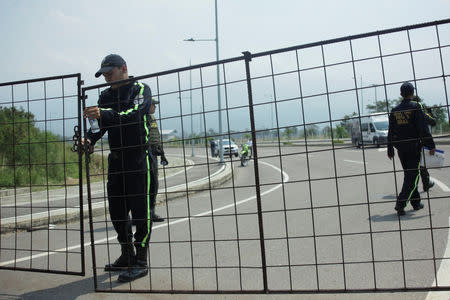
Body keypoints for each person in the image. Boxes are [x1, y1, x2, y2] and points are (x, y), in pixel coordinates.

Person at [83, 54, 153, 282]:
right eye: (103, 75)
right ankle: (127, 254)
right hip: (116, 160)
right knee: (117, 212)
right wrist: (89, 140)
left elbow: (133, 116)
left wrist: (104, 114)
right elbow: (99, 127)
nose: (106, 79)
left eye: (109, 74)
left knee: (141, 213)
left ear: (124, 68)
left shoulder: (141, 89)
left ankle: (140, 261)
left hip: (138, 159)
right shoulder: (105, 96)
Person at [387, 82, 436, 216]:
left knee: (409, 175)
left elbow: (391, 131)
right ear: (412, 93)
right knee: (412, 176)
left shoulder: (394, 110)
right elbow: (423, 128)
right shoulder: (416, 106)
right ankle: (400, 203)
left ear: (401, 94)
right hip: (414, 147)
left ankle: (416, 203)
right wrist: (431, 145)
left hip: (401, 148)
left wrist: (389, 149)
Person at [149, 98, 168, 222]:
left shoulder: (152, 118)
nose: (155, 107)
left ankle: (151, 212)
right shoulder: (142, 117)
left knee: (154, 184)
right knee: (145, 185)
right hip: (145, 154)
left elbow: (156, 136)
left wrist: (162, 153)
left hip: (154, 154)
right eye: (153, 105)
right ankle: (140, 214)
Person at [413, 96, 436, 192]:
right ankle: (425, 183)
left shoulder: (404, 113)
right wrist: (429, 112)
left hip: (409, 144)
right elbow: (433, 122)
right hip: (421, 142)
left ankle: (425, 183)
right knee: (421, 164)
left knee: (417, 165)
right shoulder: (420, 112)